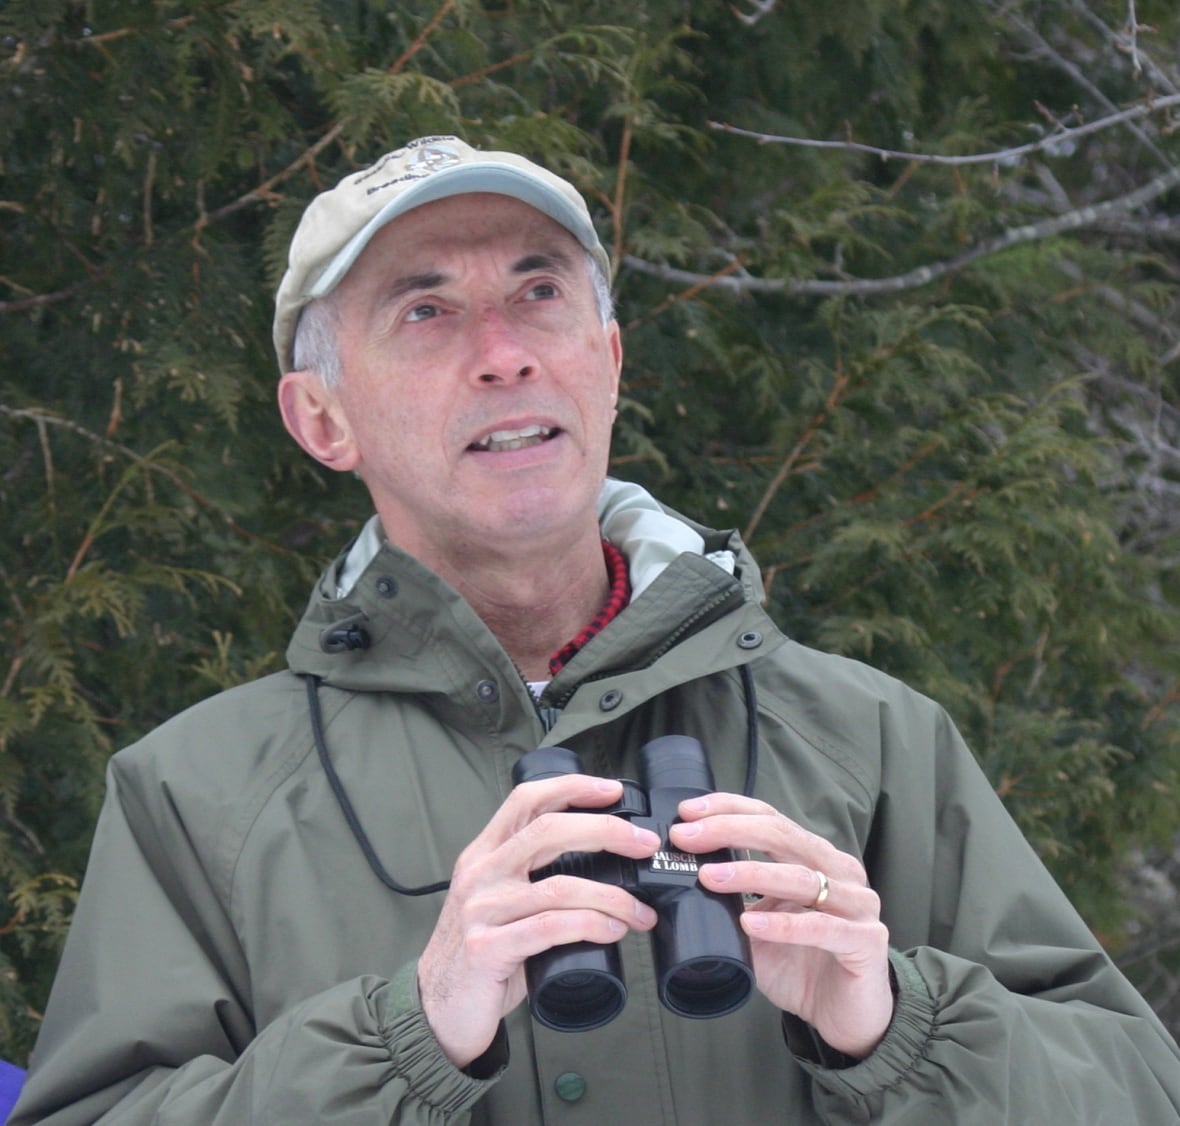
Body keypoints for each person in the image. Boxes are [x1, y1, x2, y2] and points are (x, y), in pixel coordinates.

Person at [11, 134, 1180, 1124]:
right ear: (322, 418)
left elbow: (1139, 1092)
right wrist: (402, 1036)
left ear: (608, 362)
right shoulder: (197, 795)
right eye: (425, 310)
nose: (505, 352)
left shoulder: (867, 739)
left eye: (539, 292)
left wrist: (894, 1023)